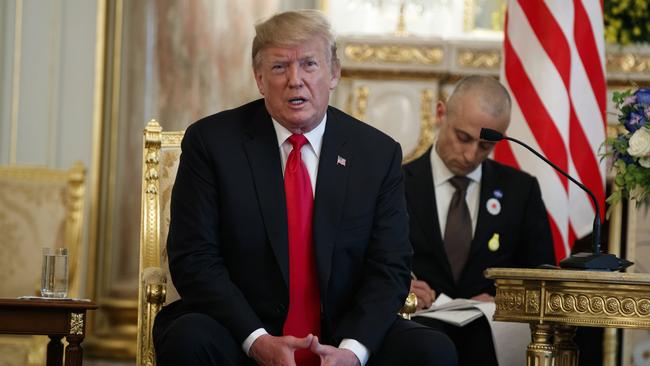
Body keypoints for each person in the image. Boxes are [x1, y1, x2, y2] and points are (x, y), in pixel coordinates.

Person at [152, 9, 457, 366]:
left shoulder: (376, 154)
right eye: (280, 67)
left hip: (341, 335)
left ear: (334, 74)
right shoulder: (212, 143)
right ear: (259, 78)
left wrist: (352, 352)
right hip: (239, 334)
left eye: (309, 64)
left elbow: (389, 268)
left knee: (432, 350)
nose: (295, 80)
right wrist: (257, 341)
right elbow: (194, 259)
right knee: (189, 339)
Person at [403, 75, 556, 366]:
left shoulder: (520, 191)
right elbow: (365, 266)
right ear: (440, 114)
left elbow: (542, 275)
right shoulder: (395, 184)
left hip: (492, 342)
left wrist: (507, 301)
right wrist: (400, 289)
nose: (471, 155)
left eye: (486, 146)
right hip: (418, 339)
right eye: (463, 138)